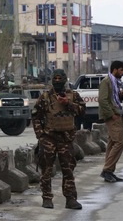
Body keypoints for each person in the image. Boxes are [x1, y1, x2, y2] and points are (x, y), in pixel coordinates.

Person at [32, 69, 86, 210]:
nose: (57, 81)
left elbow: (82, 110)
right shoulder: (45, 97)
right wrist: (41, 135)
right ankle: (47, 198)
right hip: (49, 138)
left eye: (59, 78)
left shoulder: (72, 95)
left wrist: (68, 103)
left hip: (66, 139)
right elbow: (35, 116)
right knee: (47, 170)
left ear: (64, 79)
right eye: (54, 78)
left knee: (68, 170)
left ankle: (70, 199)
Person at [98, 60, 123, 183]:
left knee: (112, 143)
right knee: (120, 142)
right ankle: (107, 170)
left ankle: (110, 172)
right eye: (121, 70)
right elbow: (102, 100)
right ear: (115, 69)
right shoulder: (106, 81)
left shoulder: (116, 82)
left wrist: (120, 95)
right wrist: (111, 114)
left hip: (117, 114)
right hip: (112, 116)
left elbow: (114, 99)